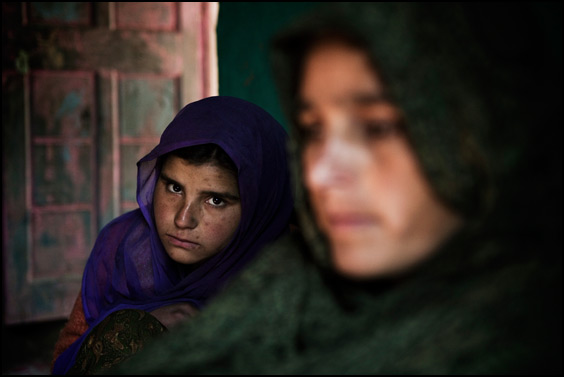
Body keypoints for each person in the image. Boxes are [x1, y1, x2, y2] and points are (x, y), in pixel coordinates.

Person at [111, 2, 561, 374]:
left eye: (379, 128)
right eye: (313, 131)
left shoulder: (519, 338)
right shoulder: (290, 288)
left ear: (484, 133)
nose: (321, 173)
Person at [50, 96, 294, 374]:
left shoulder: (294, 279)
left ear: (258, 208)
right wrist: (141, 324)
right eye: (174, 188)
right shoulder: (124, 247)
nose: (182, 219)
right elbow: (65, 359)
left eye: (215, 200)